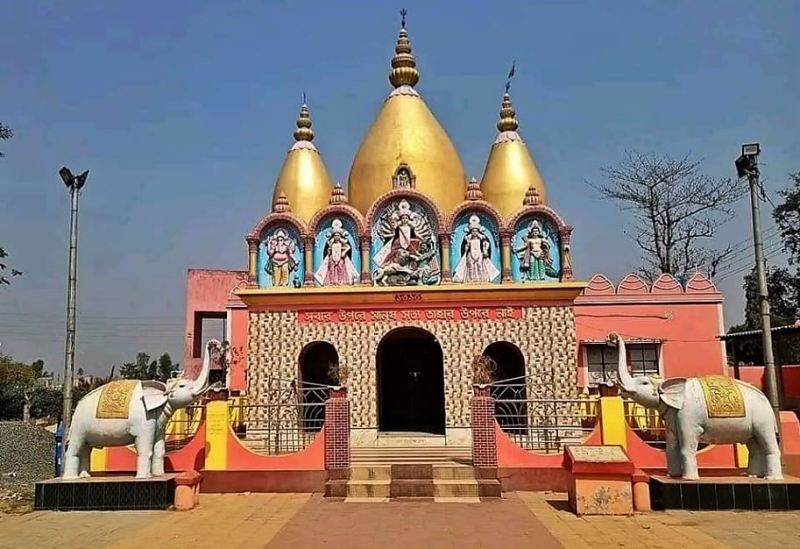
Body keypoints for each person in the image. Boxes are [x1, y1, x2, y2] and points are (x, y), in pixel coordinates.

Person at [453, 215, 500, 283]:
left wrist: (485, 249)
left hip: (479, 254)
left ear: (478, 232)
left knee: (480, 265)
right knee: (471, 267)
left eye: (476, 231)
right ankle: (471, 279)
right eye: (473, 231)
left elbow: (485, 245)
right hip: (470, 254)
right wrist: (467, 245)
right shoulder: (468, 239)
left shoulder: (481, 239)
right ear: (471, 232)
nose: (474, 232)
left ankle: (480, 279)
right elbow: (465, 249)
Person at [315, 218, 359, 286]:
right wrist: (329, 251)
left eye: (338, 235)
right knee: (332, 269)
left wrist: (344, 252)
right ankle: (332, 282)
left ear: (340, 236)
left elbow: (348, 247)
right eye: (335, 235)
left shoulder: (342, 242)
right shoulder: (331, 242)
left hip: (341, 258)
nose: (336, 237)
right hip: (332, 258)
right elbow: (328, 250)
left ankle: (340, 281)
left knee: (340, 269)